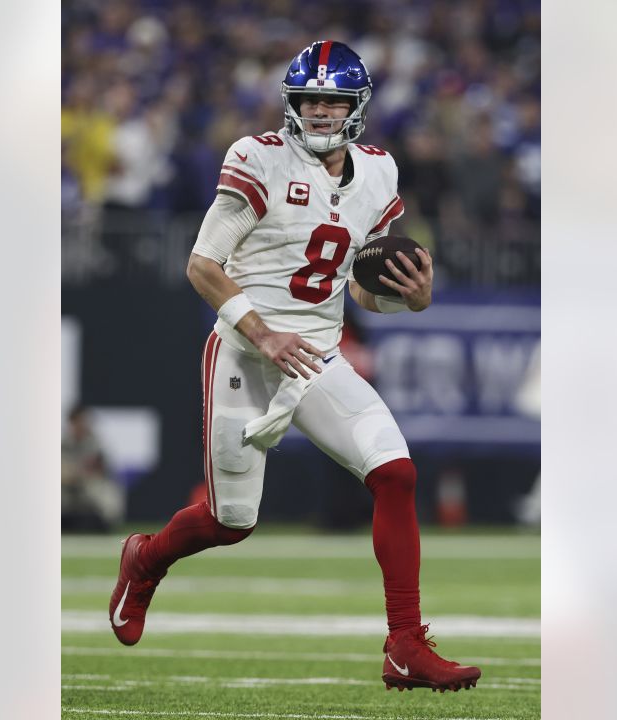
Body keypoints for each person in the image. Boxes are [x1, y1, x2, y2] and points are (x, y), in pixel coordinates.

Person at [107, 40, 481, 693]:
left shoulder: (378, 173)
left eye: (331, 101)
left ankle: (404, 645)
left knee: (395, 473)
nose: (317, 112)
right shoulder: (257, 158)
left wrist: (411, 300)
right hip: (248, 354)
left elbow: (360, 290)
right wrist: (263, 331)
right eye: (308, 99)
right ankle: (146, 558)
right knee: (232, 521)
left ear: (356, 107)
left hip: (317, 355)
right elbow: (202, 265)